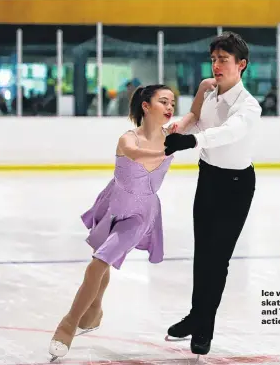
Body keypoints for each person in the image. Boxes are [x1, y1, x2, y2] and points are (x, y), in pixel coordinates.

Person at [48, 84, 177, 361]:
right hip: (113, 202)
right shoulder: (127, 138)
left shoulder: (172, 134)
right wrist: (168, 150)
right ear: (146, 105)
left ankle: (68, 324)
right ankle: (94, 310)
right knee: (101, 257)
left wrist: (204, 88)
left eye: (172, 103)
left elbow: (195, 115)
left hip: (141, 214)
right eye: (164, 101)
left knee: (99, 262)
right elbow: (136, 154)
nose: (170, 107)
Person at [164, 31, 262, 356]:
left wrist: (192, 141)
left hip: (235, 188)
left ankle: (204, 327)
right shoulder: (207, 90)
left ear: (241, 64)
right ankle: (196, 315)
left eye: (223, 59)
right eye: (213, 59)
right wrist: (176, 129)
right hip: (207, 179)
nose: (216, 65)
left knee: (217, 260)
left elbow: (226, 133)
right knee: (202, 253)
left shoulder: (249, 106)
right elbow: (196, 120)